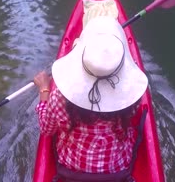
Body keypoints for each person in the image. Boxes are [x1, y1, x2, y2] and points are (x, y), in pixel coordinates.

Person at [34, 17, 149, 182]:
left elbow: (46, 129)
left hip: (71, 169)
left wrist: (44, 89)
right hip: (117, 170)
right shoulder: (130, 96)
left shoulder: (60, 96)